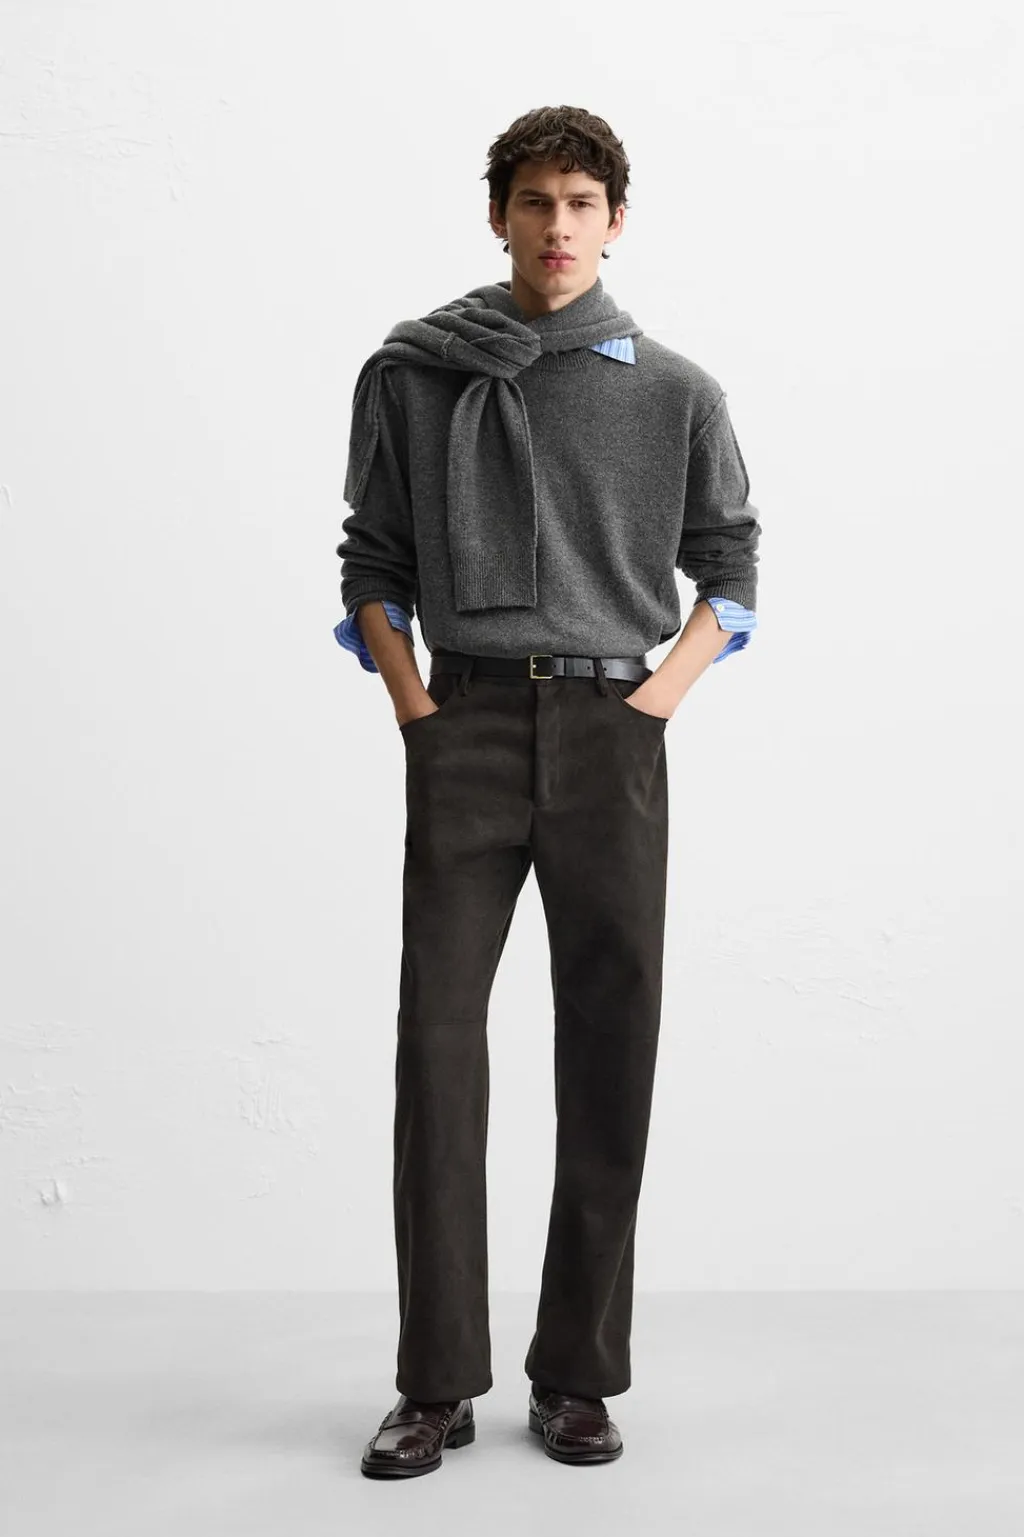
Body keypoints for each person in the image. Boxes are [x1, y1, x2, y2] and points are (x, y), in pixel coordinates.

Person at [334, 104, 761, 1478]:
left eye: (582, 203)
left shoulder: (677, 391)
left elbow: (731, 569)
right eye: (535, 201)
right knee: (437, 1047)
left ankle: (576, 1375)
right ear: (499, 216)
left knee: (611, 1043)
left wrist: (650, 706)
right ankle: (435, 1385)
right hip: (461, 721)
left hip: (611, 728)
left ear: (615, 221)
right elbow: (371, 558)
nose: (559, 226)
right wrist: (416, 708)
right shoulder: (415, 374)